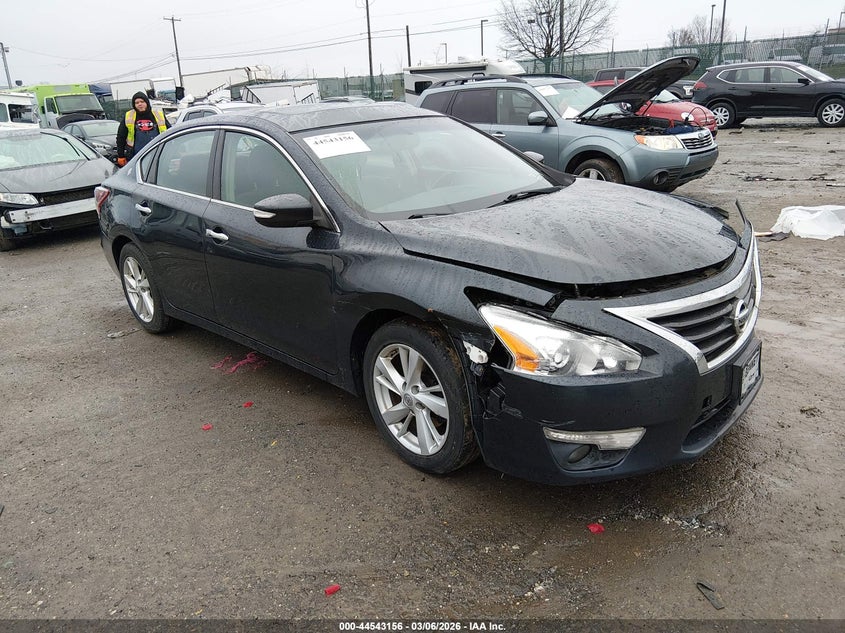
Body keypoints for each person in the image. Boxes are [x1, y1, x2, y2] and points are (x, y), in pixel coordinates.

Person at [115, 92, 169, 166]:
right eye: (137, 103)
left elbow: (170, 132)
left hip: (158, 154)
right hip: (135, 156)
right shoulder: (129, 116)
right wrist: (121, 155)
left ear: (147, 102)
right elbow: (121, 137)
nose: (139, 104)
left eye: (142, 102)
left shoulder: (158, 114)